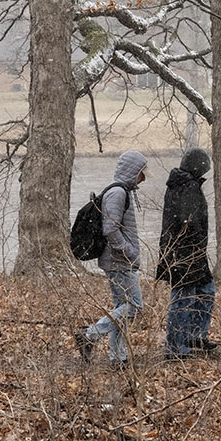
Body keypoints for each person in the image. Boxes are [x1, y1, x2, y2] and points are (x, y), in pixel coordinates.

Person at [76, 150, 148, 369]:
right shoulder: (118, 193)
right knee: (134, 307)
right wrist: (129, 252)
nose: (144, 177)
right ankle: (90, 334)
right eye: (141, 172)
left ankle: (118, 358)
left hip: (117, 260)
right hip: (119, 261)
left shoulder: (121, 191)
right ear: (132, 171)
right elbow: (110, 230)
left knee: (122, 308)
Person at [156, 147, 216, 360]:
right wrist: (196, 244)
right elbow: (188, 221)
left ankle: (194, 336)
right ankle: (176, 348)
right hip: (186, 254)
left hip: (186, 253)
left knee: (206, 290)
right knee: (183, 299)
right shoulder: (188, 187)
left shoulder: (179, 185)